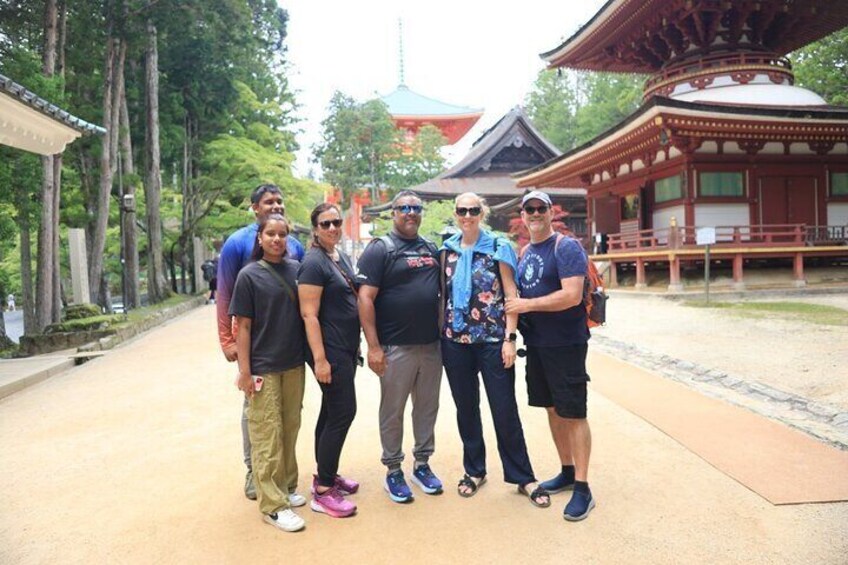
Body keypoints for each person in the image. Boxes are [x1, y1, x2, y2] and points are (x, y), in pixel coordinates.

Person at [439, 192, 550, 508]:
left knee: (504, 409)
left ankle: (523, 476)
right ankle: (474, 470)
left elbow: (510, 295)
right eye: (462, 210)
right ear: (456, 213)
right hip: (455, 341)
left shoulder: (499, 247)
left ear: (482, 213)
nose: (468, 215)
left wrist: (510, 338)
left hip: (492, 341)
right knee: (467, 408)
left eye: (474, 210)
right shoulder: (447, 251)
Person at [505, 190, 595, 521]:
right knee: (553, 409)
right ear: (523, 214)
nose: (535, 214)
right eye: (529, 209)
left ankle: (583, 487)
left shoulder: (566, 247)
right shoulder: (526, 251)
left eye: (541, 208)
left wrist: (526, 305)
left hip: (566, 343)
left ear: (550, 213)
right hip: (539, 345)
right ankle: (567, 470)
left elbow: (571, 295)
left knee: (573, 411)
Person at [216, 183, 305, 501]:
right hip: (256, 346)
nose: (276, 206)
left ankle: (283, 477)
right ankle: (255, 469)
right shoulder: (236, 245)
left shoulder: (295, 248)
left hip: (288, 351)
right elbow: (225, 293)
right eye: (269, 202)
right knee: (257, 414)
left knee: (287, 416)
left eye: (280, 201)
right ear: (255, 207)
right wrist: (228, 341)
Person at [357, 191, 443, 504]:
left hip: (430, 346)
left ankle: (422, 463)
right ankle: (393, 468)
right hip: (395, 348)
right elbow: (364, 298)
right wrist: (374, 346)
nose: (410, 213)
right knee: (392, 411)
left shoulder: (430, 248)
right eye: (404, 208)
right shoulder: (381, 249)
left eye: (416, 208)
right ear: (393, 212)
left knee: (427, 408)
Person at [230, 214, 307, 532]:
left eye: (282, 234)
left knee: (290, 426)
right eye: (270, 234)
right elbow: (243, 327)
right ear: (259, 238)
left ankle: (287, 486)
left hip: (293, 364)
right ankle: (273, 505)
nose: (277, 239)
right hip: (264, 367)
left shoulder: (297, 270)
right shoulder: (248, 276)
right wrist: (244, 372)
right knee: (266, 433)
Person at [298, 203, 360, 518]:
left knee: (331, 410)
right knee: (344, 411)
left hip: (345, 347)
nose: (333, 228)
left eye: (336, 222)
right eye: (326, 224)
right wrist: (320, 359)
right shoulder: (312, 262)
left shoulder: (338, 255)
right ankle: (323, 490)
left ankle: (326, 473)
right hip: (329, 349)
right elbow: (309, 314)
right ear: (315, 228)